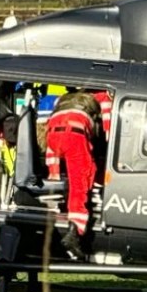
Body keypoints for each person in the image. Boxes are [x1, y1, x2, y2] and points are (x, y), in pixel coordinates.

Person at [45, 89, 100, 258]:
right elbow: (104, 129)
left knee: (87, 171)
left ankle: (69, 207)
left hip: (52, 136)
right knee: (80, 183)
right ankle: (75, 231)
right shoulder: (99, 98)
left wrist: (53, 172)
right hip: (74, 136)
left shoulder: (62, 101)